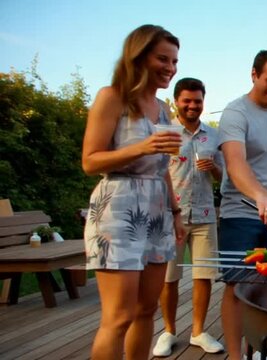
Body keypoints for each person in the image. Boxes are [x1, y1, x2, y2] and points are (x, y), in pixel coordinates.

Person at [82, 24, 186, 360]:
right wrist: (142, 147)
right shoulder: (112, 97)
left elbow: (163, 168)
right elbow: (90, 161)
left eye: (174, 61)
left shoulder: (163, 108)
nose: (170, 67)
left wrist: (175, 213)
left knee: (146, 310)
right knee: (118, 317)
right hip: (119, 209)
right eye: (163, 59)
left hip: (157, 211)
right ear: (138, 56)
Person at [217, 50, 267, 360]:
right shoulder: (235, 113)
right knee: (237, 287)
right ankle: (236, 356)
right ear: (254, 75)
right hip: (240, 215)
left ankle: (263, 351)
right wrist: (262, 197)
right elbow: (235, 165)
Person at [152, 78, 224, 356]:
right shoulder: (166, 132)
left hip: (206, 213)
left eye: (198, 100)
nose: (193, 105)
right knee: (169, 277)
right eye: (187, 100)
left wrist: (215, 167)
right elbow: (155, 172)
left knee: (204, 274)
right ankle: (168, 331)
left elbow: (224, 177)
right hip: (172, 215)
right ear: (177, 101)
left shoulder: (213, 135)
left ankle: (198, 331)